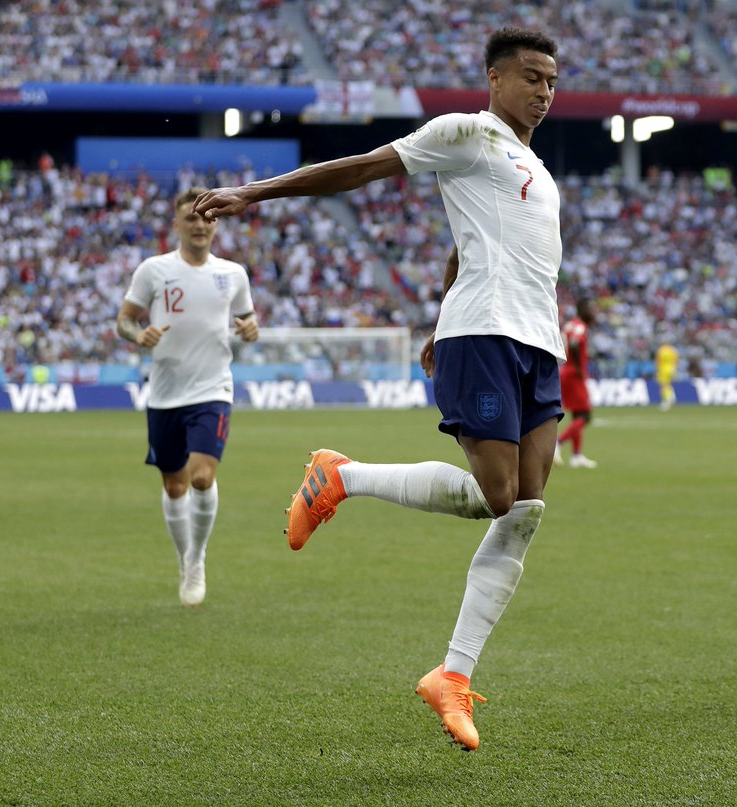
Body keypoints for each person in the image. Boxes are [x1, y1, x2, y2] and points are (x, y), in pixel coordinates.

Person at [193, 27, 562, 751]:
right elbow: (363, 167)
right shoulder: (466, 133)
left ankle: (452, 676)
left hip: (537, 342)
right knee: (497, 495)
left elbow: (467, 241)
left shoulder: (533, 167)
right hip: (485, 335)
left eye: (551, 81)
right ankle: (341, 476)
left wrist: (435, 311)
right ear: (493, 80)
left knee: (526, 506)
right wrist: (252, 192)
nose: (543, 92)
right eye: (530, 78)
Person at [116, 186, 259, 608]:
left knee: (201, 477)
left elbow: (247, 321)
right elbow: (124, 321)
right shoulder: (153, 270)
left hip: (213, 388)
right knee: (175, 485)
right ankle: (185, 558)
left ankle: (196, 561)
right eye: (191, 218)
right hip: (164, 393)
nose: (200, 225)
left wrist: (250, 331)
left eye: (207, 218)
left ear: (216, 223)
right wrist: (137, 334)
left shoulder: (233, 274)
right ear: (177, 224)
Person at [554, 297, 598, 468]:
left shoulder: (570, 324)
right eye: (591, 308)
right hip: (574, 374)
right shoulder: (580, 325)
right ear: (583, 309)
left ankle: (576, 456)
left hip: (566, 372)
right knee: (586, 416)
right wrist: (580, 367)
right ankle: (558, 442)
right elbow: (574, 343)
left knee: (577, 415)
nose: (594, 312)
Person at [655, 339, 679, 411]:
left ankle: (668, 399)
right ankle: (671, 396)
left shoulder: (661, 350)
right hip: (672, 369)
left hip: (663, 369)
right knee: (668, 384)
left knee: (663, 385)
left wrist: (657, 369)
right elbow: (676, 360)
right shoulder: (673, 350)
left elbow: (658, 361)